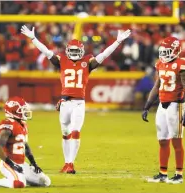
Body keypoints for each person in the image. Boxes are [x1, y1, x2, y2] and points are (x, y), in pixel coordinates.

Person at [21, 25, 131, 174]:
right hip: (65, 102)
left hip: (79, 102)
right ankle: (66, 163)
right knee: (65, 133)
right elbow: (46, 51)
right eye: (71, 51)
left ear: (81, 52)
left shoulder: (88, 62)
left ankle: (71, 164)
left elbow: (104, 54)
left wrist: (117, 42)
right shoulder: (62, 61)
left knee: (75, 131)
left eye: (76, 51)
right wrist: (34, 39)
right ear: (67, 51)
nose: (73, 53)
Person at [141, 36, 185, 184]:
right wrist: (147, 106)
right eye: (163, 51)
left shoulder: (183, 64)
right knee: (162, 141)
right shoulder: (160, 64)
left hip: (176, 105)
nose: (164, 54)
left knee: (176, 142)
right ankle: (163, 173)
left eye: (167, 51)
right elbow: (157, 86)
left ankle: (179, 174)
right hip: (162, 106)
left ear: (176, 50)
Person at [0, 97, 51, 188]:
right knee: (19, 184)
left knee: (45, 181)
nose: (25, 112)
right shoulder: (8, 125)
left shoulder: (22, 124)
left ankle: (20, 177)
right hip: (8, 163)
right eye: (22, 110)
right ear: (13, 111)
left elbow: (25, 145)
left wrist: (33, 163)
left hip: (21, 164)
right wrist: (11, 164)